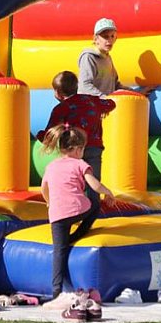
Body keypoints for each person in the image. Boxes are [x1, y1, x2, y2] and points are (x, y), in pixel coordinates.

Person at [40, 125, 114, 309]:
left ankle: (57, 292)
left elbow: (44, 188)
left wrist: (49, 202)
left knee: (59, 252)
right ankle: (77, 235)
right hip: (78, 209)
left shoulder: (51, 166)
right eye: (83, 149)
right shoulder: (81, 164)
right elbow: (94, 185)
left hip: (56, 214)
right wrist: (109, 193)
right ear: (78, 149)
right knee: (94, 205)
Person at [37, 70, 115, 242]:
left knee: (71, 184)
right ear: (77, 86)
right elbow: (110, 104)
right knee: (92, 186)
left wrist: (39, 135)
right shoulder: (91, 100)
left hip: (72, 151)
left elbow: (49, 133)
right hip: (94, 148)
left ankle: (71, 217)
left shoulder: (60, 108)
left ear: (57, 93)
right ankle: (81, 230)